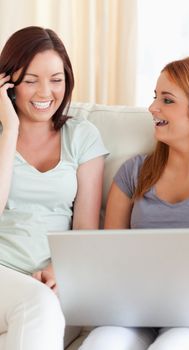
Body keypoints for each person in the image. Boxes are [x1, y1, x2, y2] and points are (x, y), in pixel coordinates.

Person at [77, 57, 189, 350]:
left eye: (167, 100)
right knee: (100, 345)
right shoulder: (134, 172)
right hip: (139, 305)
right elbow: (112, 254)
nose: (152, 108)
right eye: (154, 97)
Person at [0, 26, 108, 350]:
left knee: (38, 313)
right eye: (30, 80)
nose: (44, 92)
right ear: (8, 84)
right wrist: (10, 129)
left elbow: (85, 227)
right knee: (38, 306)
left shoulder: (82, 136)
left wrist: (60, 265)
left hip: (53, 280)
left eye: (56, 80)